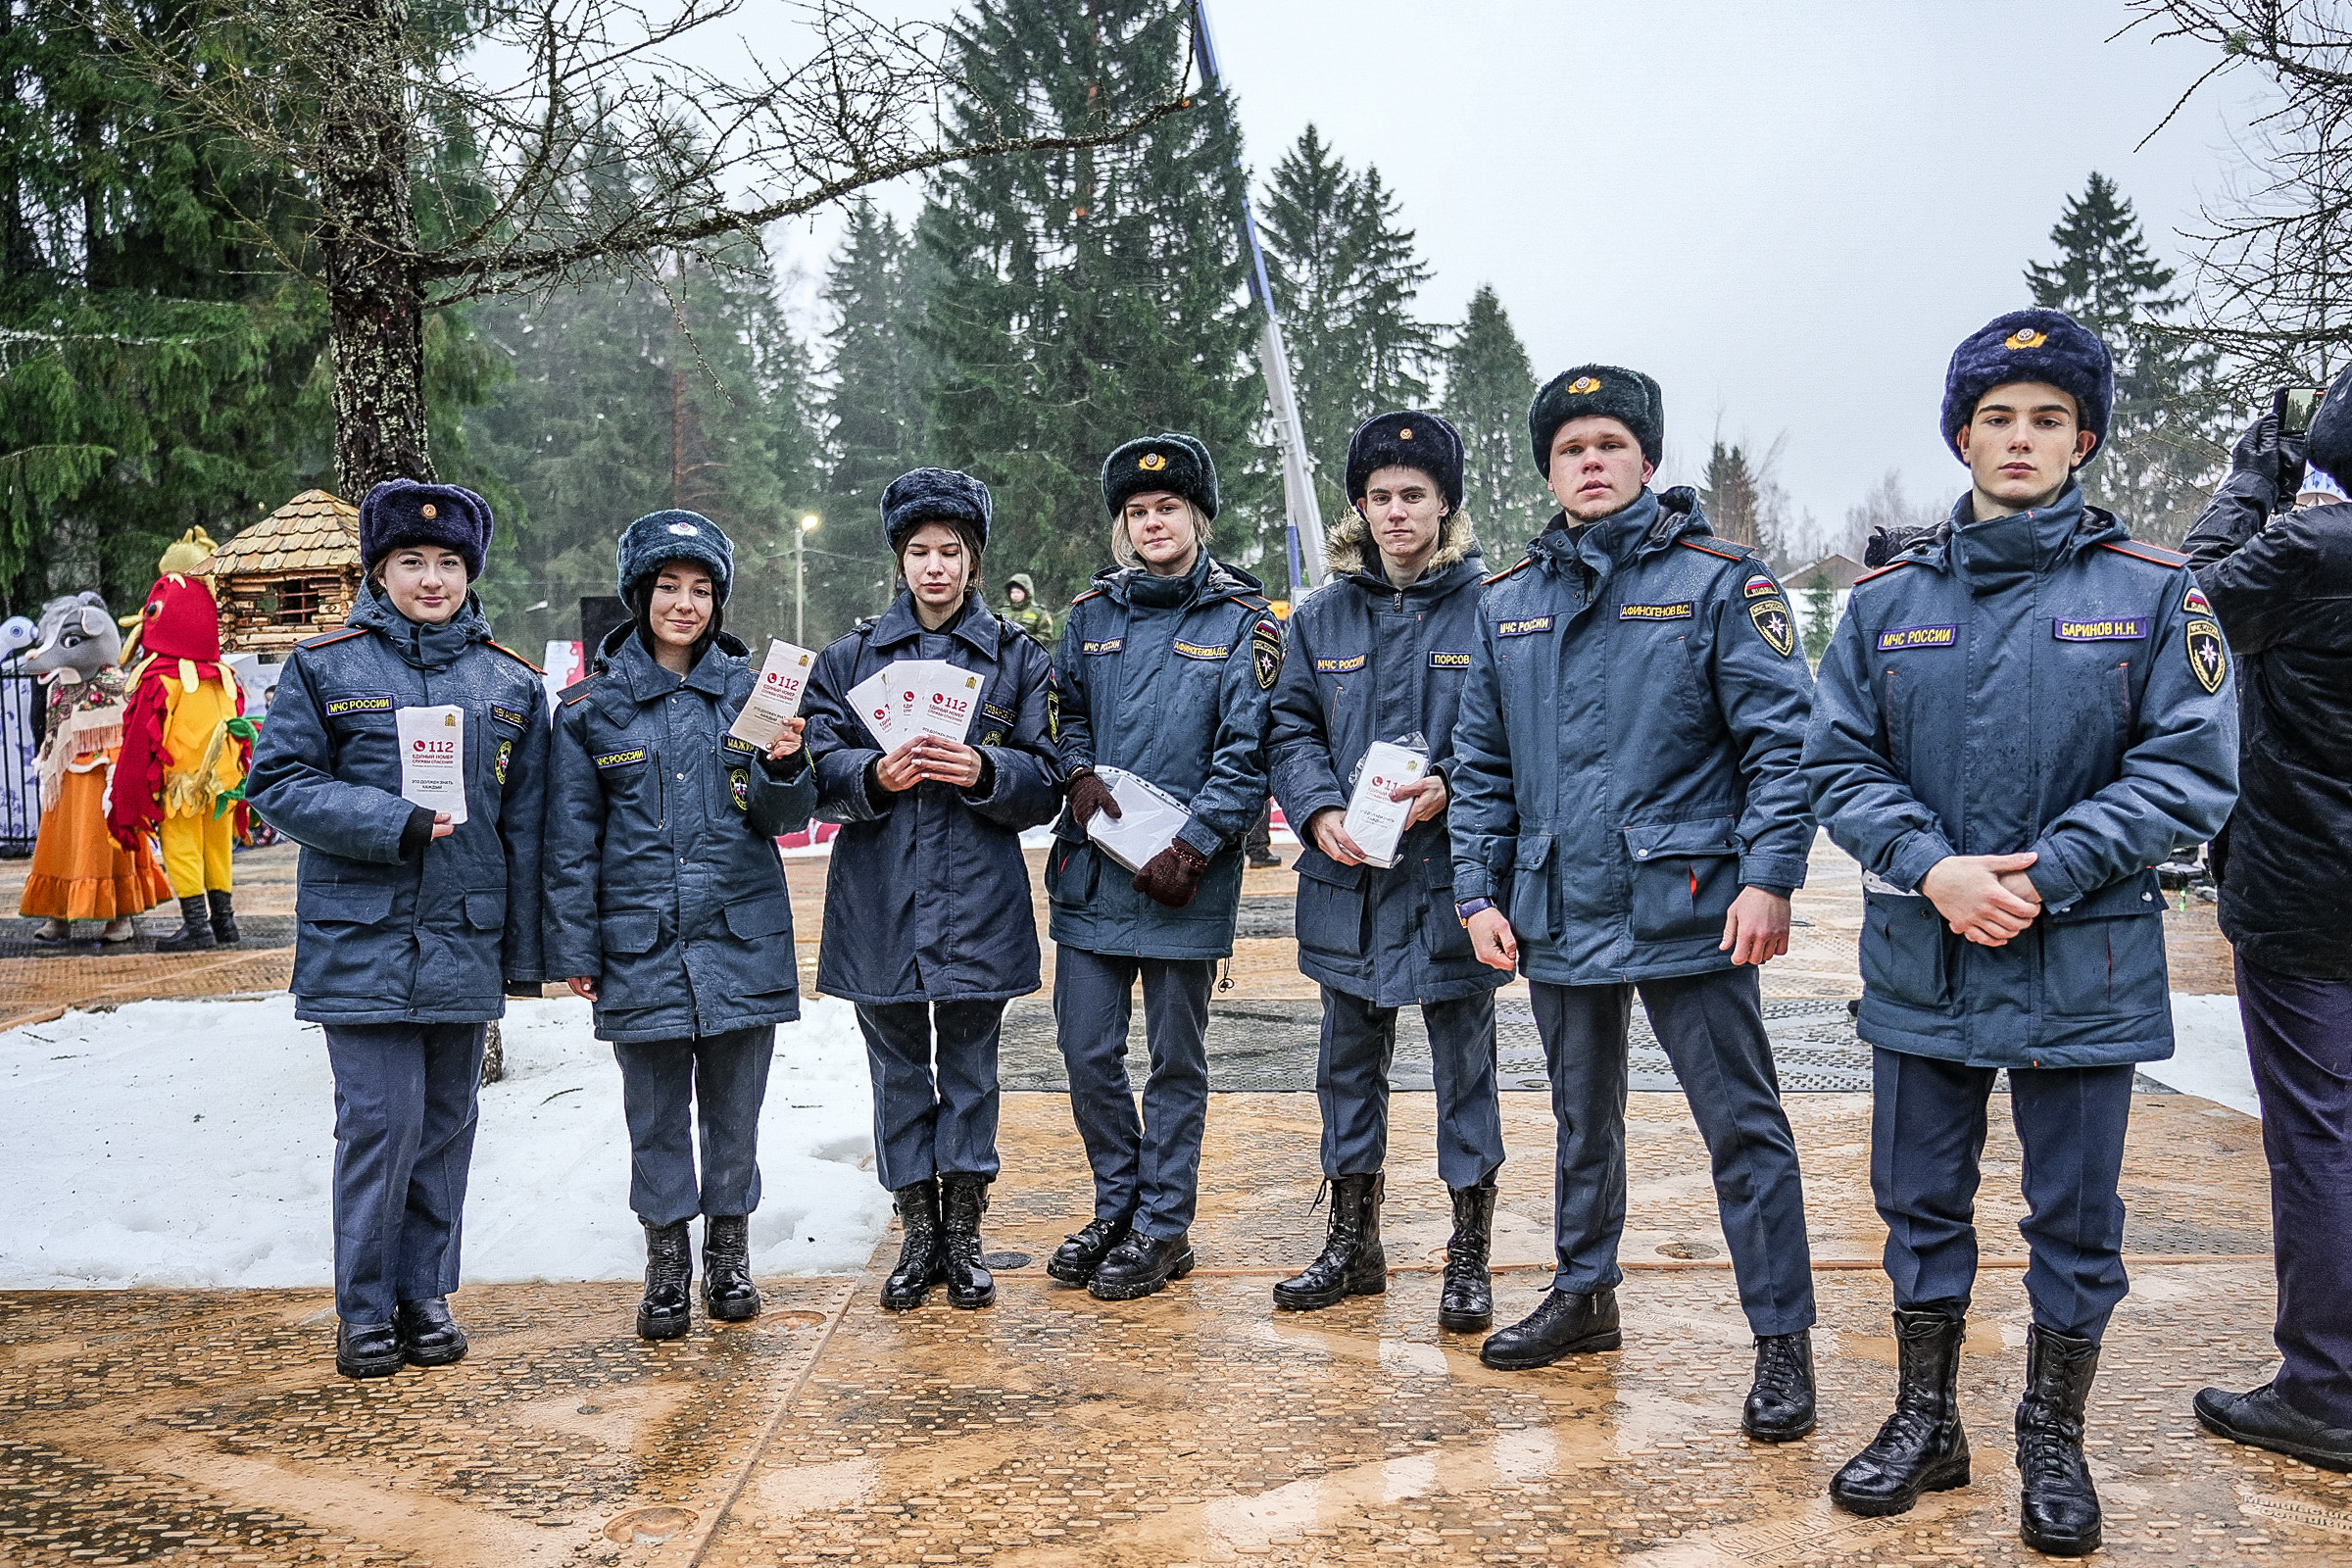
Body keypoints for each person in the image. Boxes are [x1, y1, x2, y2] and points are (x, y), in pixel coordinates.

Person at [1803, 309, 2239, 1555]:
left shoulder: (2155, 594)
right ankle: (1926, 1418)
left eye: (2047, 418)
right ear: (1961, 436)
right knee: (1919, 1201)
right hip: (1927, 953)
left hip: (2081, 955)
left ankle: (2055, 1437)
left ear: (2083, 438)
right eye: (1996, 417)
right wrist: (1933, 868)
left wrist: (2046, 874)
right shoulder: (1888, 603)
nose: (2020, 437)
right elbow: (1835, 760)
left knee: (2076, 1214)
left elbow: (2192, 767)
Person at [1447, 366, 1821, 1445]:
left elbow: (1781, 746)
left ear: (1647, 461)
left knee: (1743, 1128)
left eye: (1611, 443)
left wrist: (1769, 876)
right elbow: (1481, 763)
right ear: (1551, 471)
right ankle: (1584, 1293)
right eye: (1571, 449)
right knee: (1579, 1119)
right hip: (1558, 905)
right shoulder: (1507, 600)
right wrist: (1477, 889)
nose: (1592, 462)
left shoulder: (1720, 581)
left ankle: (1781, 1339)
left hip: (1689, 906)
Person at [244, 480, 548, 1379]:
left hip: (464, 934)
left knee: (448, 1123)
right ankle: (365, 1306)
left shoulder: (510, 680)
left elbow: (529, 826)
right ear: (379, 569)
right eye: (412, 562)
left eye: (448, 563)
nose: (431, 580)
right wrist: (392, 820)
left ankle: (426, 1294)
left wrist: (528, 957)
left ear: (470, 573)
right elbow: (279, 784)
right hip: (361, 939)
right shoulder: (324, 667)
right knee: (382, 1122)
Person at [542, 511, 816, 1341]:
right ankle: (667, 1264)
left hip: (741, 938)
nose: (685, 604)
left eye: (701, 590)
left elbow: (786, 817)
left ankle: (728, 1258)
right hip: (641, 944)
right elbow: (569, 843)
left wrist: (785, 764)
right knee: (655, 1112)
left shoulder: (756, 695)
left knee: (736, 1112)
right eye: (668, 587)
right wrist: (576, 948)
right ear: (639, 595)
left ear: (719, 601)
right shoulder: (591, 710)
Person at [1267, 411, 1506, 1330]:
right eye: (1379, 497)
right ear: (1359, 508)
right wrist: (1319, 808)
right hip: (1349, 880)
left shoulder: (1493, 606)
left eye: (1414, 495)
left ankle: (1468, 1252)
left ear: (1446, 503)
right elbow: (1287, 727)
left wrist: (1454, 787)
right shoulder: (1320, 615)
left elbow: (1514, 738)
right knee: (1347, 1066)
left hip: (1453, 880)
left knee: (1465, 1069)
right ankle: (1352, 1242)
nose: (1396, 512)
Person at [803, 469, 1061, 1312]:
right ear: (899, 560)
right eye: (920, 552)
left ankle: (966, 1231)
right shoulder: (847, 659)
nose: (936, 568)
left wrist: (988, 769)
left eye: (951, 552)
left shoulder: (1019, 658)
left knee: (974, 1073)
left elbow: (1050, 777)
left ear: (975, 561)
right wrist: (869, 772)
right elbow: (811, 768)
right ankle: (917, 1232)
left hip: (979, 902)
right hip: (878, 901)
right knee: (898, 1073)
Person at [1045, 431, 1281, 1301]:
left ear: (1198, 517)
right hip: (1094, 875)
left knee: (1175, 1062)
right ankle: (1118, 1203)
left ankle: (1164, 1224)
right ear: (1122, 526)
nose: (1152, 522)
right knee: (1086, 1050)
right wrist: (1073, 772)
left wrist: (1198, 844)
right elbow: (1061, 713)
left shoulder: (1243, 625)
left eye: (1167, 508)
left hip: (1186, 881)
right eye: (1137, 512)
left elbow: (1248, 749)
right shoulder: (1090, 618)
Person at [2180, 368, 2352, 1473]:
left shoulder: (2314, 551)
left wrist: (2249, 485)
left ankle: (2328, 1388)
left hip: (2310, 895)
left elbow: (2182, 609)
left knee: (2320, 1135)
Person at [108, 565, 248, 950]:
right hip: (223, 781)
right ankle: (224, 923)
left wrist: (126, 794)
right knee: (217, 848)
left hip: (181, 783)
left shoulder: (158, 678)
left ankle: (197, 928)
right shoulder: (224, 675)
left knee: (182, 848)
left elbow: (140, 744)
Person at [21, 590, 172, 942]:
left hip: (103, 778)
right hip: (66, 780)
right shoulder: (59, 685)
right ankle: (58, 914)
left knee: (102, 847)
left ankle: (119, 918)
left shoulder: (117, 686)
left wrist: (118, 776)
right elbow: (48, 728)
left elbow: (129, 732)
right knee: (59, 846)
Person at [1003, 572, 1055, 646]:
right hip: (1005, 652)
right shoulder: (1003, 611)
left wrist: (1025, 641)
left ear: (1026, 593)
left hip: (1030, 653)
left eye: (1018, 592)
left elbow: (1046, 636)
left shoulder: (1039, 612)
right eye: (1012, 592)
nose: (1015, 595)